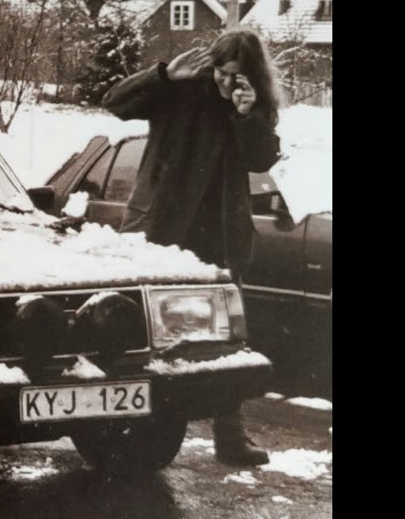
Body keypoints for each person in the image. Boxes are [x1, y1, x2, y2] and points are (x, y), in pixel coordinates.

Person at [103, 27, 282, 466]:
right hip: (160, 227)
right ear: (211, 66)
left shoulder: (251, 103)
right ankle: (121, 426)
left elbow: (262, 160)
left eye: (236, 76)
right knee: (142, 330)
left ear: (251, 76)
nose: (226, 83)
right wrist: (162, 75)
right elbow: (114, 103)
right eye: (221, 73)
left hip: (218, 235)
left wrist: (248, 116)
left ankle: (230, 436)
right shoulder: (180, 90)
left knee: (225, 337)